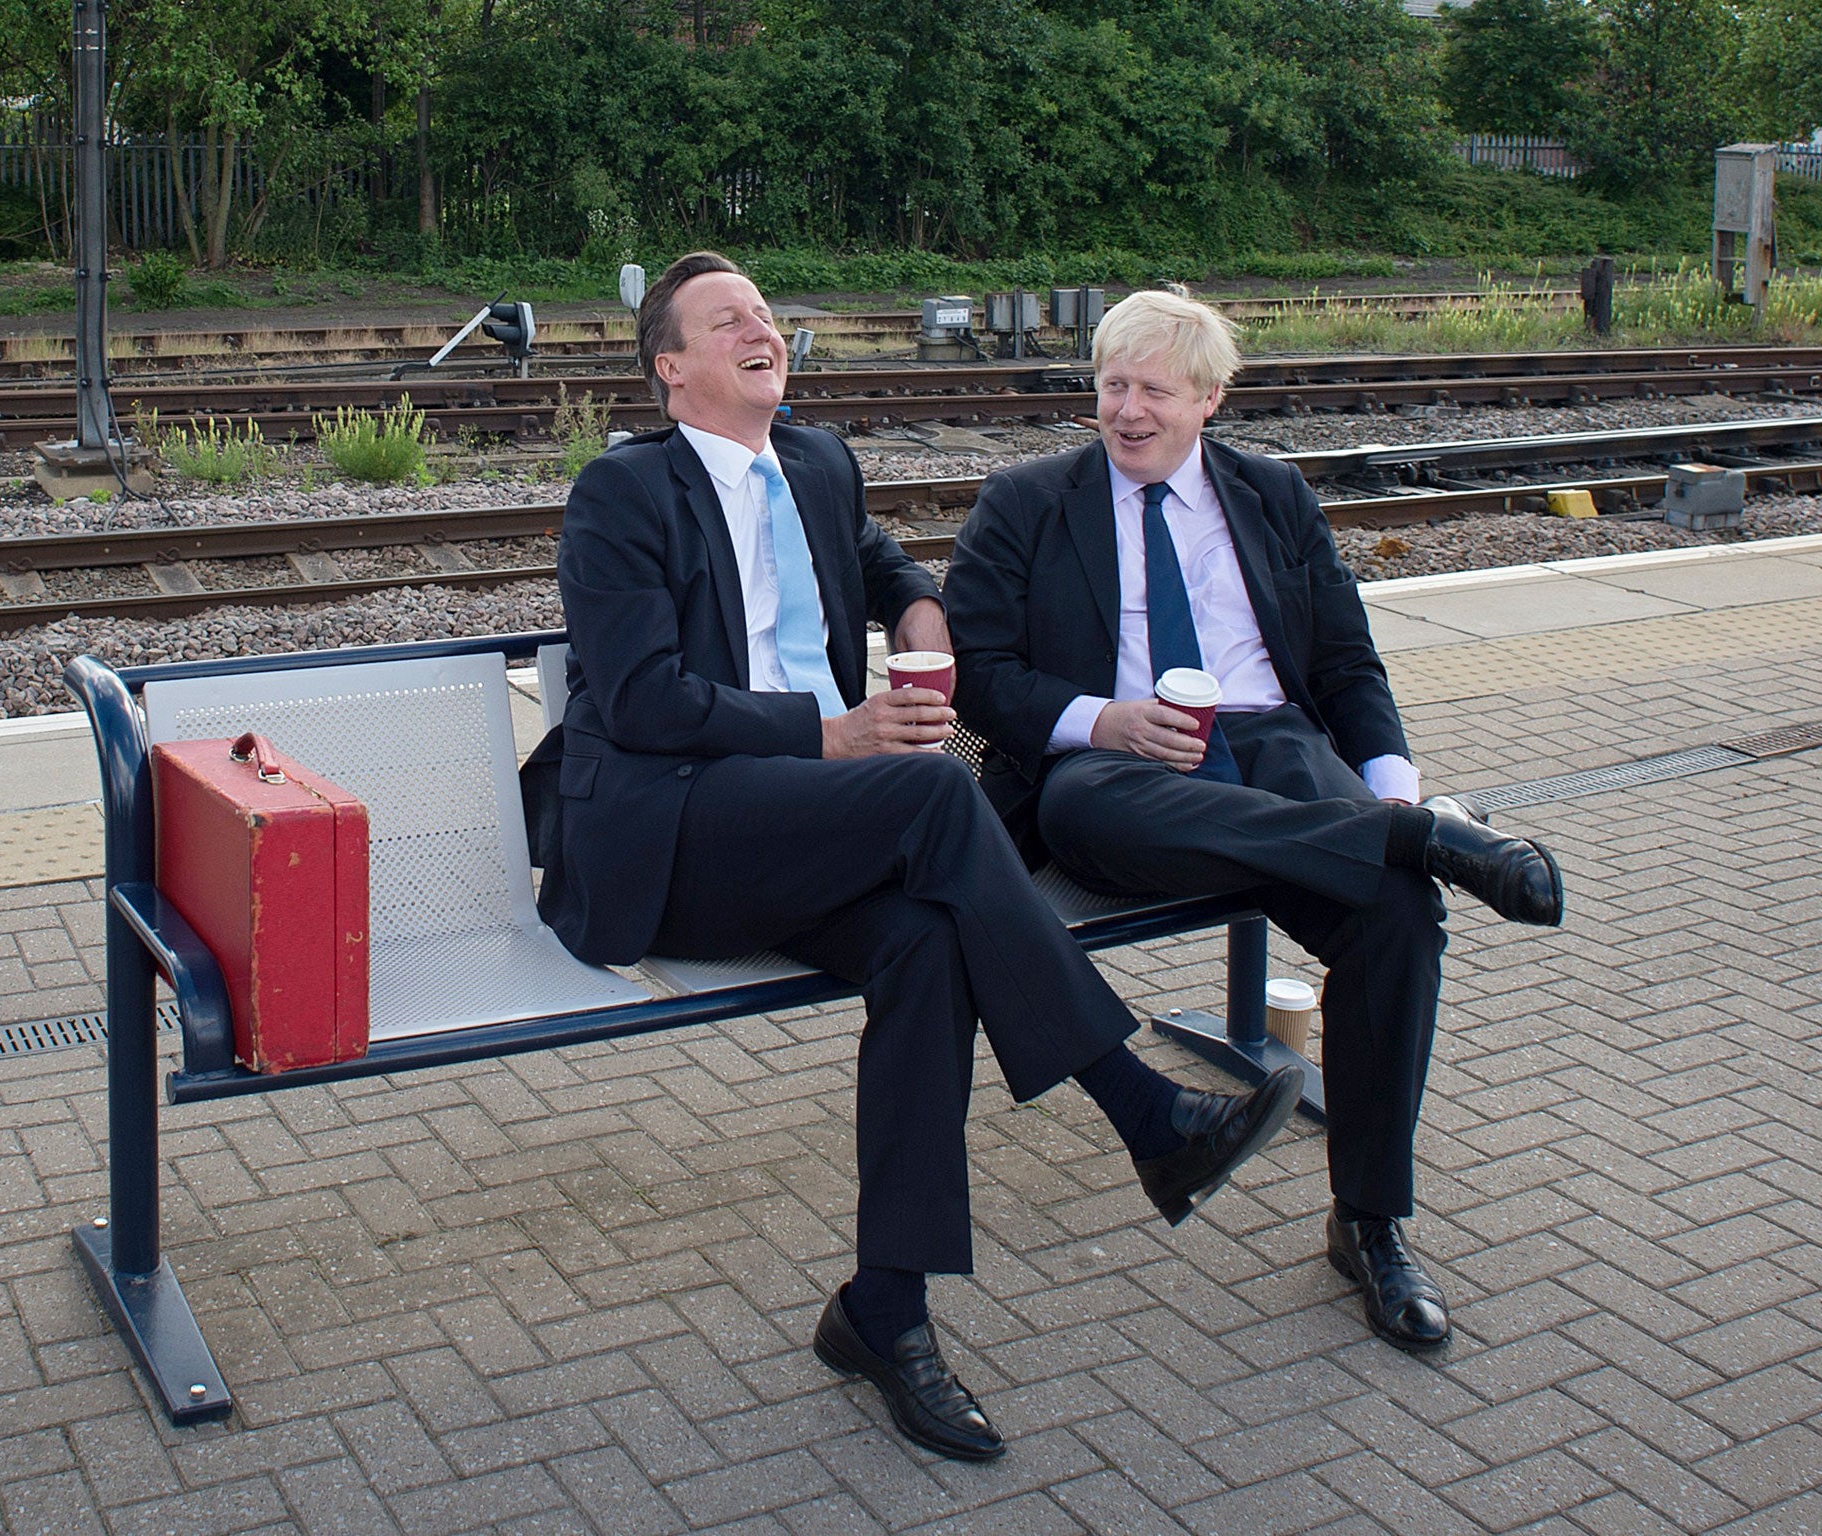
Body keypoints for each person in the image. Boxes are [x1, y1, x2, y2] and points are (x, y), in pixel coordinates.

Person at [521, 254, 1304, 1461]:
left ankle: (884, 1311)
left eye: (766, 315)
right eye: (725, 321)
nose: (758, 329)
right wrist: (828, 734)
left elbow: (877, 558)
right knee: (934, 800)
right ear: (670, 369)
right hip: (674, 837)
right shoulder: (622, 495)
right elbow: (634, 700)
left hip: (804, 828)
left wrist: (918, 602)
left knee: (929, 939)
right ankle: (1140, 1107)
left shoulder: (818, 464)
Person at [944, 288, 1565, 1352]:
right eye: (1110, 386)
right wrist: (1104, 718)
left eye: (1153, 390)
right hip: (1119, 766)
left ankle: (1367, 1222)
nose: (1127, 411)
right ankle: (1418, 845)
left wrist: (1388, 787)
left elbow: (1340, 662)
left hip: (1272, 743)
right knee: (1088, 802)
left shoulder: (1270, 497)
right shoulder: (1025, 501)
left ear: (1209, 400)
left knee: (1398, 921)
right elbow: (981, 679)